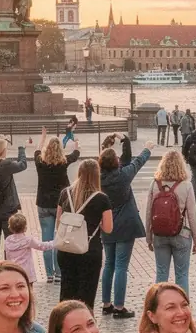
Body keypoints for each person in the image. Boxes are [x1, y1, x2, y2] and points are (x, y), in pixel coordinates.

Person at [99, 136, 152, 318]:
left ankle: (106, 304)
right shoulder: (123, 175)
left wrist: (124, 143)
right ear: (116, 163)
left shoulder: (98, 178)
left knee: (108, 264)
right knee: (121, 266)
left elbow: (126, 159)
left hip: (107, 225)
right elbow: (137, 162)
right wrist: (147, 149)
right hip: (125, 225)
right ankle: (120, 307)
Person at [56, 159, 113, 311]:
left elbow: (58, 223)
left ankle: (63, 327)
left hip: (66, 249)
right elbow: (108, 228)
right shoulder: (101, 198)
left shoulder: (65, 193)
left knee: (66, 294)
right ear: (96, 175)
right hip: (89, 250)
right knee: (86, 298)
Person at [144, 150, 196, 297]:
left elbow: (149, 212)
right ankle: (183, 307)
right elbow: (192, 216)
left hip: (159, 235)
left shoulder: (154, 184)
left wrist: (148, 237)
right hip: (182, 234)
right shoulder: (186, 185)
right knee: (182, 275)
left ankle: (158, 306)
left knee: (161, 273)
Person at [35, 129, 80, 282]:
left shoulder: (40, 162)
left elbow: (37, 150)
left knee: (47, 239)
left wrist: (43, 138)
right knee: (60, 238)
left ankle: (48, 274)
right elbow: (76, 155)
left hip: (43, 204)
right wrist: (76, 144)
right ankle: (59, 273)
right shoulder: (63, 162)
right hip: (61, 205)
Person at [0, 136, 27, 265]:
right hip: (7, 209)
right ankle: (8, 266)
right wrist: (21, 149)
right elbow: (22, 165)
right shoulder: (5, 164)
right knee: (10, 240)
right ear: (2, 151)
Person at [3, 212, 56, 281]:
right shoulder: (28, 240)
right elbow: (42, 246)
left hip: (13, 270)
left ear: (10, 227)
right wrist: (55, 243)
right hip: (26, 272)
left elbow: (6, 255)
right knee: (28, 289)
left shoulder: (8, 240)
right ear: (25, 227)